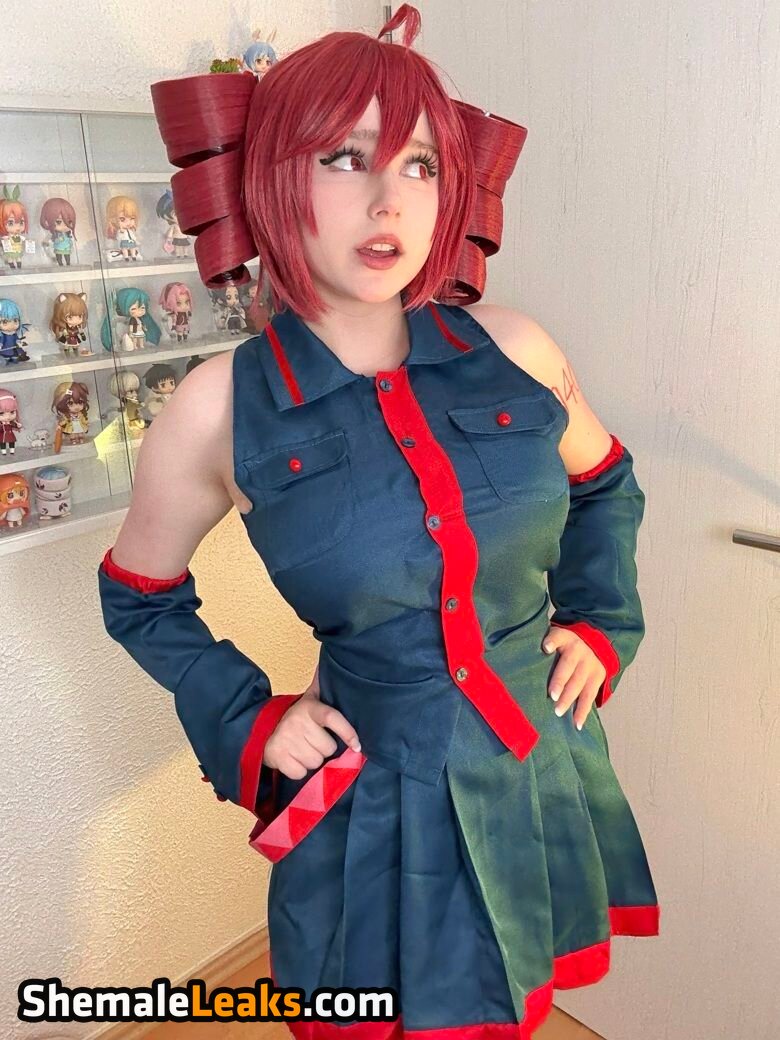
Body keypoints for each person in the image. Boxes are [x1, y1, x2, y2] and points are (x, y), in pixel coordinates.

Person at [97, 5, 660, 1037]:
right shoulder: (218, 409)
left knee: (511, 1005)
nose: (388, 198)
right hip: (376, 806)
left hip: (535, 767)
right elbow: (138, 598)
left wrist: (598, 619)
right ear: (275, 175)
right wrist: (250, 720)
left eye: (420, 164)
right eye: (345, 157)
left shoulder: (518, 350)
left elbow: (606, 484)